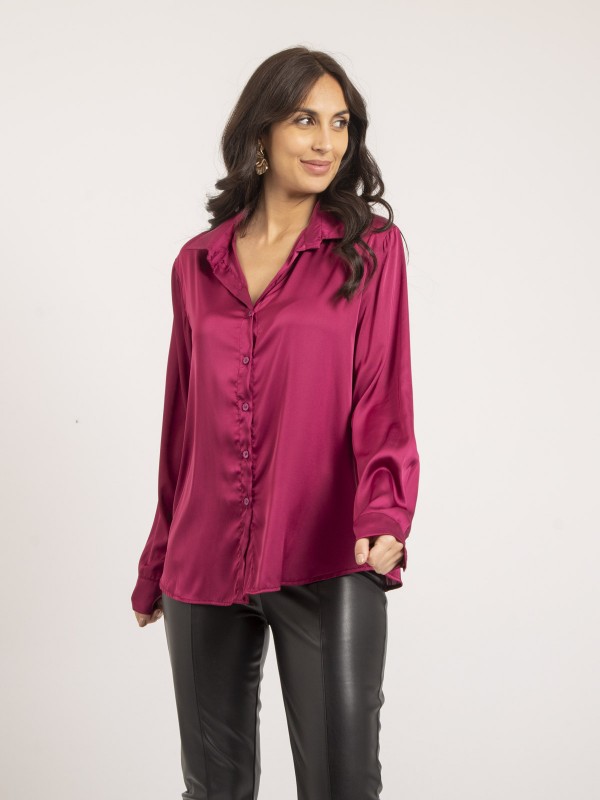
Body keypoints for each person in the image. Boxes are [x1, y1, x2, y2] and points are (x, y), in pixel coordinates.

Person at [131, 46, 420, 800]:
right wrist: (159, 555)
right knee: (213, 791)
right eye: (304, 120)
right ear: (261, 133)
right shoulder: (197, 264)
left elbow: (383, 395)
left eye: (340, 123)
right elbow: (182, 422)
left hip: (329, 547)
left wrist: (385, 510)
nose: (327, 142)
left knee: (342, 785)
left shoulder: (370, 251)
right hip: (203, 557)